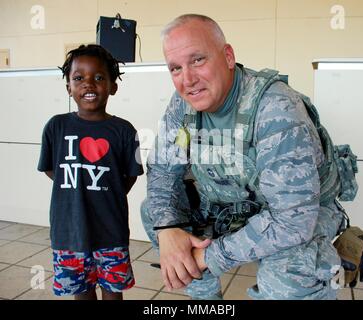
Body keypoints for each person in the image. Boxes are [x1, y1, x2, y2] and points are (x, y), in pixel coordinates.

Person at [141, 14, 345, 300]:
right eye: (175, 68)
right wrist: (167, 229)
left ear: (227, 56)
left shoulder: (275, 107)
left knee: (288, 271)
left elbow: (292, 221)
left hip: (300, 214)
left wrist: (207, 258)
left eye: (198, 60)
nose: (187, 80)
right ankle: (206, 299)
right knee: (154, 210)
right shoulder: (183, 105)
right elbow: (162, 171)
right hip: (230, 206)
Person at [38, 44, 144, 300]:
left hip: (111, 231)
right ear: (68, 87)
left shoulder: (125, 131)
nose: (88, 84)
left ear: (112, 86)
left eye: (98, 77)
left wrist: (105, 189)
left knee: (112, 293)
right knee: (81, 293)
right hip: (69, 232)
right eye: (78, 78)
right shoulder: (56, 126)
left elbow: (130, 175)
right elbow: (52, 169)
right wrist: (79, 185)